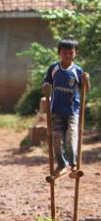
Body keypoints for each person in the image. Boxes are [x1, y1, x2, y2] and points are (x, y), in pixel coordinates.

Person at [43, 39, 90, 177]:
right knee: (56, 139)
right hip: (56, 111)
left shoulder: (78, 71)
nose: (68, 55)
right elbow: (46, 83)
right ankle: (62, 164)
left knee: (71, 137)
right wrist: (46, 87)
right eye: (64, 52)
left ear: (76, 53)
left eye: (71, 52)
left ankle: (73, 165)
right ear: (59, 53)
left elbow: (85, 90)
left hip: (72, 112)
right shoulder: (54, 68)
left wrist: (86, 80)